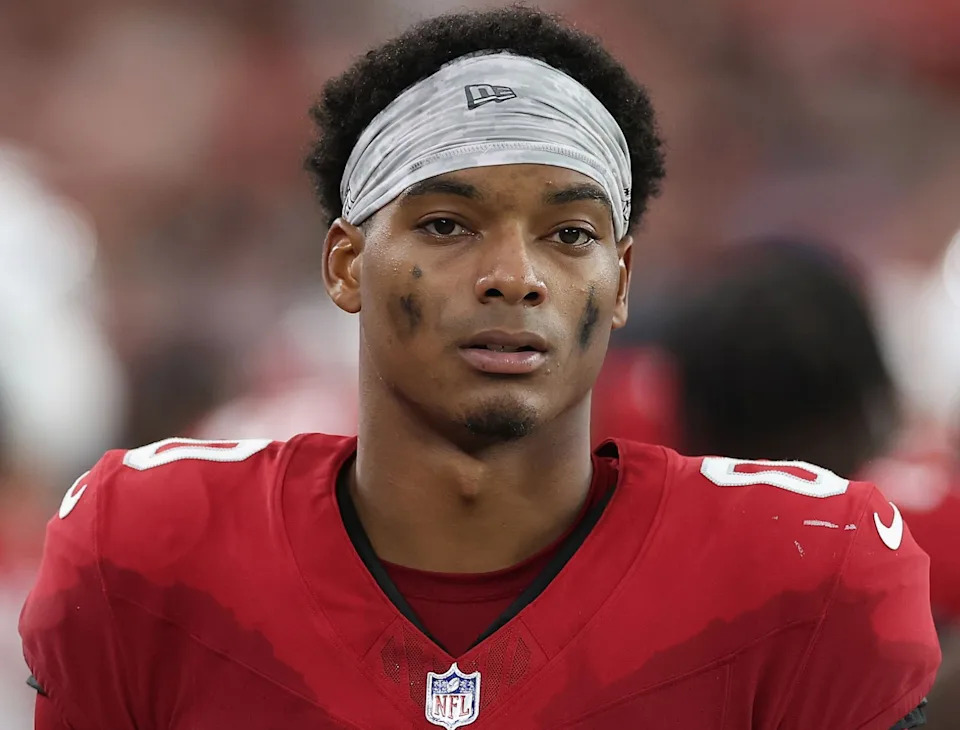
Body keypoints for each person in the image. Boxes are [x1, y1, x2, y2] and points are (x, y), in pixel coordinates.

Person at [20, 9, 939, 729]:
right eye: (448, 226)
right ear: (344, 264)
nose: (514, 278)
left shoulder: (809, 567)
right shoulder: (145, 550)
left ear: (620, 281)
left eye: (569, 233)